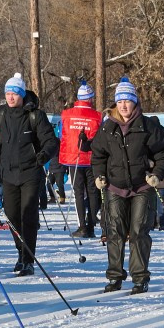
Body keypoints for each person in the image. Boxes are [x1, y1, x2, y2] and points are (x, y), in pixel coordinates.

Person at [89, 77, 164, 295]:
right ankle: (115, 276)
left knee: (139, 232)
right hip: (115, 187)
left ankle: (139, 277)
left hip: (141, 187)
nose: (124, 106)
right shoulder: (107, 128)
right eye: (120, 102)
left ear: (135, 102)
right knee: (114, 232)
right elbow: (98, 156)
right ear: (115, 104)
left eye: (128, 101)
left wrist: (156, 174)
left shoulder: (148, 126)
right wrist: (99, 175)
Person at [0, 72, 57, 277]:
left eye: (15, 93)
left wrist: (42, 156)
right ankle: (21, 253)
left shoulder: (35, 115)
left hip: (30, 173)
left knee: (28, 215)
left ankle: (28, 259)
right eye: (8, 93)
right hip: (8, 173)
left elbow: (51, 141)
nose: (11, 97)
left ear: (22, 94)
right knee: (12, 217)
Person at [57, 81, 104, 242]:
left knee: (78, 192)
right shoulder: (98, 116)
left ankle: (82, 225)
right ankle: (90, 225)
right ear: (90, 98)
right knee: (92, 192)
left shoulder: (66, 114)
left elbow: (61, 135)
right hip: (91, 158)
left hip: (73, 158)